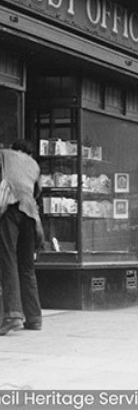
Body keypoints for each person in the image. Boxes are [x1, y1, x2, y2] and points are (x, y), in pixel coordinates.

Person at [0, 139, 44, 335]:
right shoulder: (34, 165)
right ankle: (34, 317)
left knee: (7, 259)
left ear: (14, 148)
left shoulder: (4, 154)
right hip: (31, 214)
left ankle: (12, 315)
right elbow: (38, 192)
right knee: (26, 266)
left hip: (11, 208)